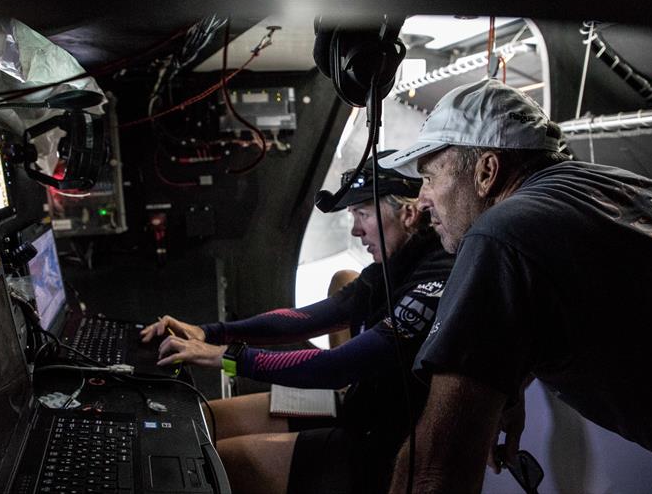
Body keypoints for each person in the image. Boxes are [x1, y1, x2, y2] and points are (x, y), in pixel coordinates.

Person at [380, 78, 652, 493]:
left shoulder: (500, 235)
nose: (421, 201)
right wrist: (510, 375)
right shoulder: (610, 185)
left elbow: (435, 472)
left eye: (429, 178)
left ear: (486, 172)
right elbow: (598, 292)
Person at [140, 151, 455, 494]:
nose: (355, 229)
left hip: (382, 449)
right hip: (358, 409)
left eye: (362, 213)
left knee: (212, 464)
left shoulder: (435, 276)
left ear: (407, 213)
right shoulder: (396, 262)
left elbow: (337, 367)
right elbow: (309, 318)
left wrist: (224, 356)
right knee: (196, 422)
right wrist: (210, 332)